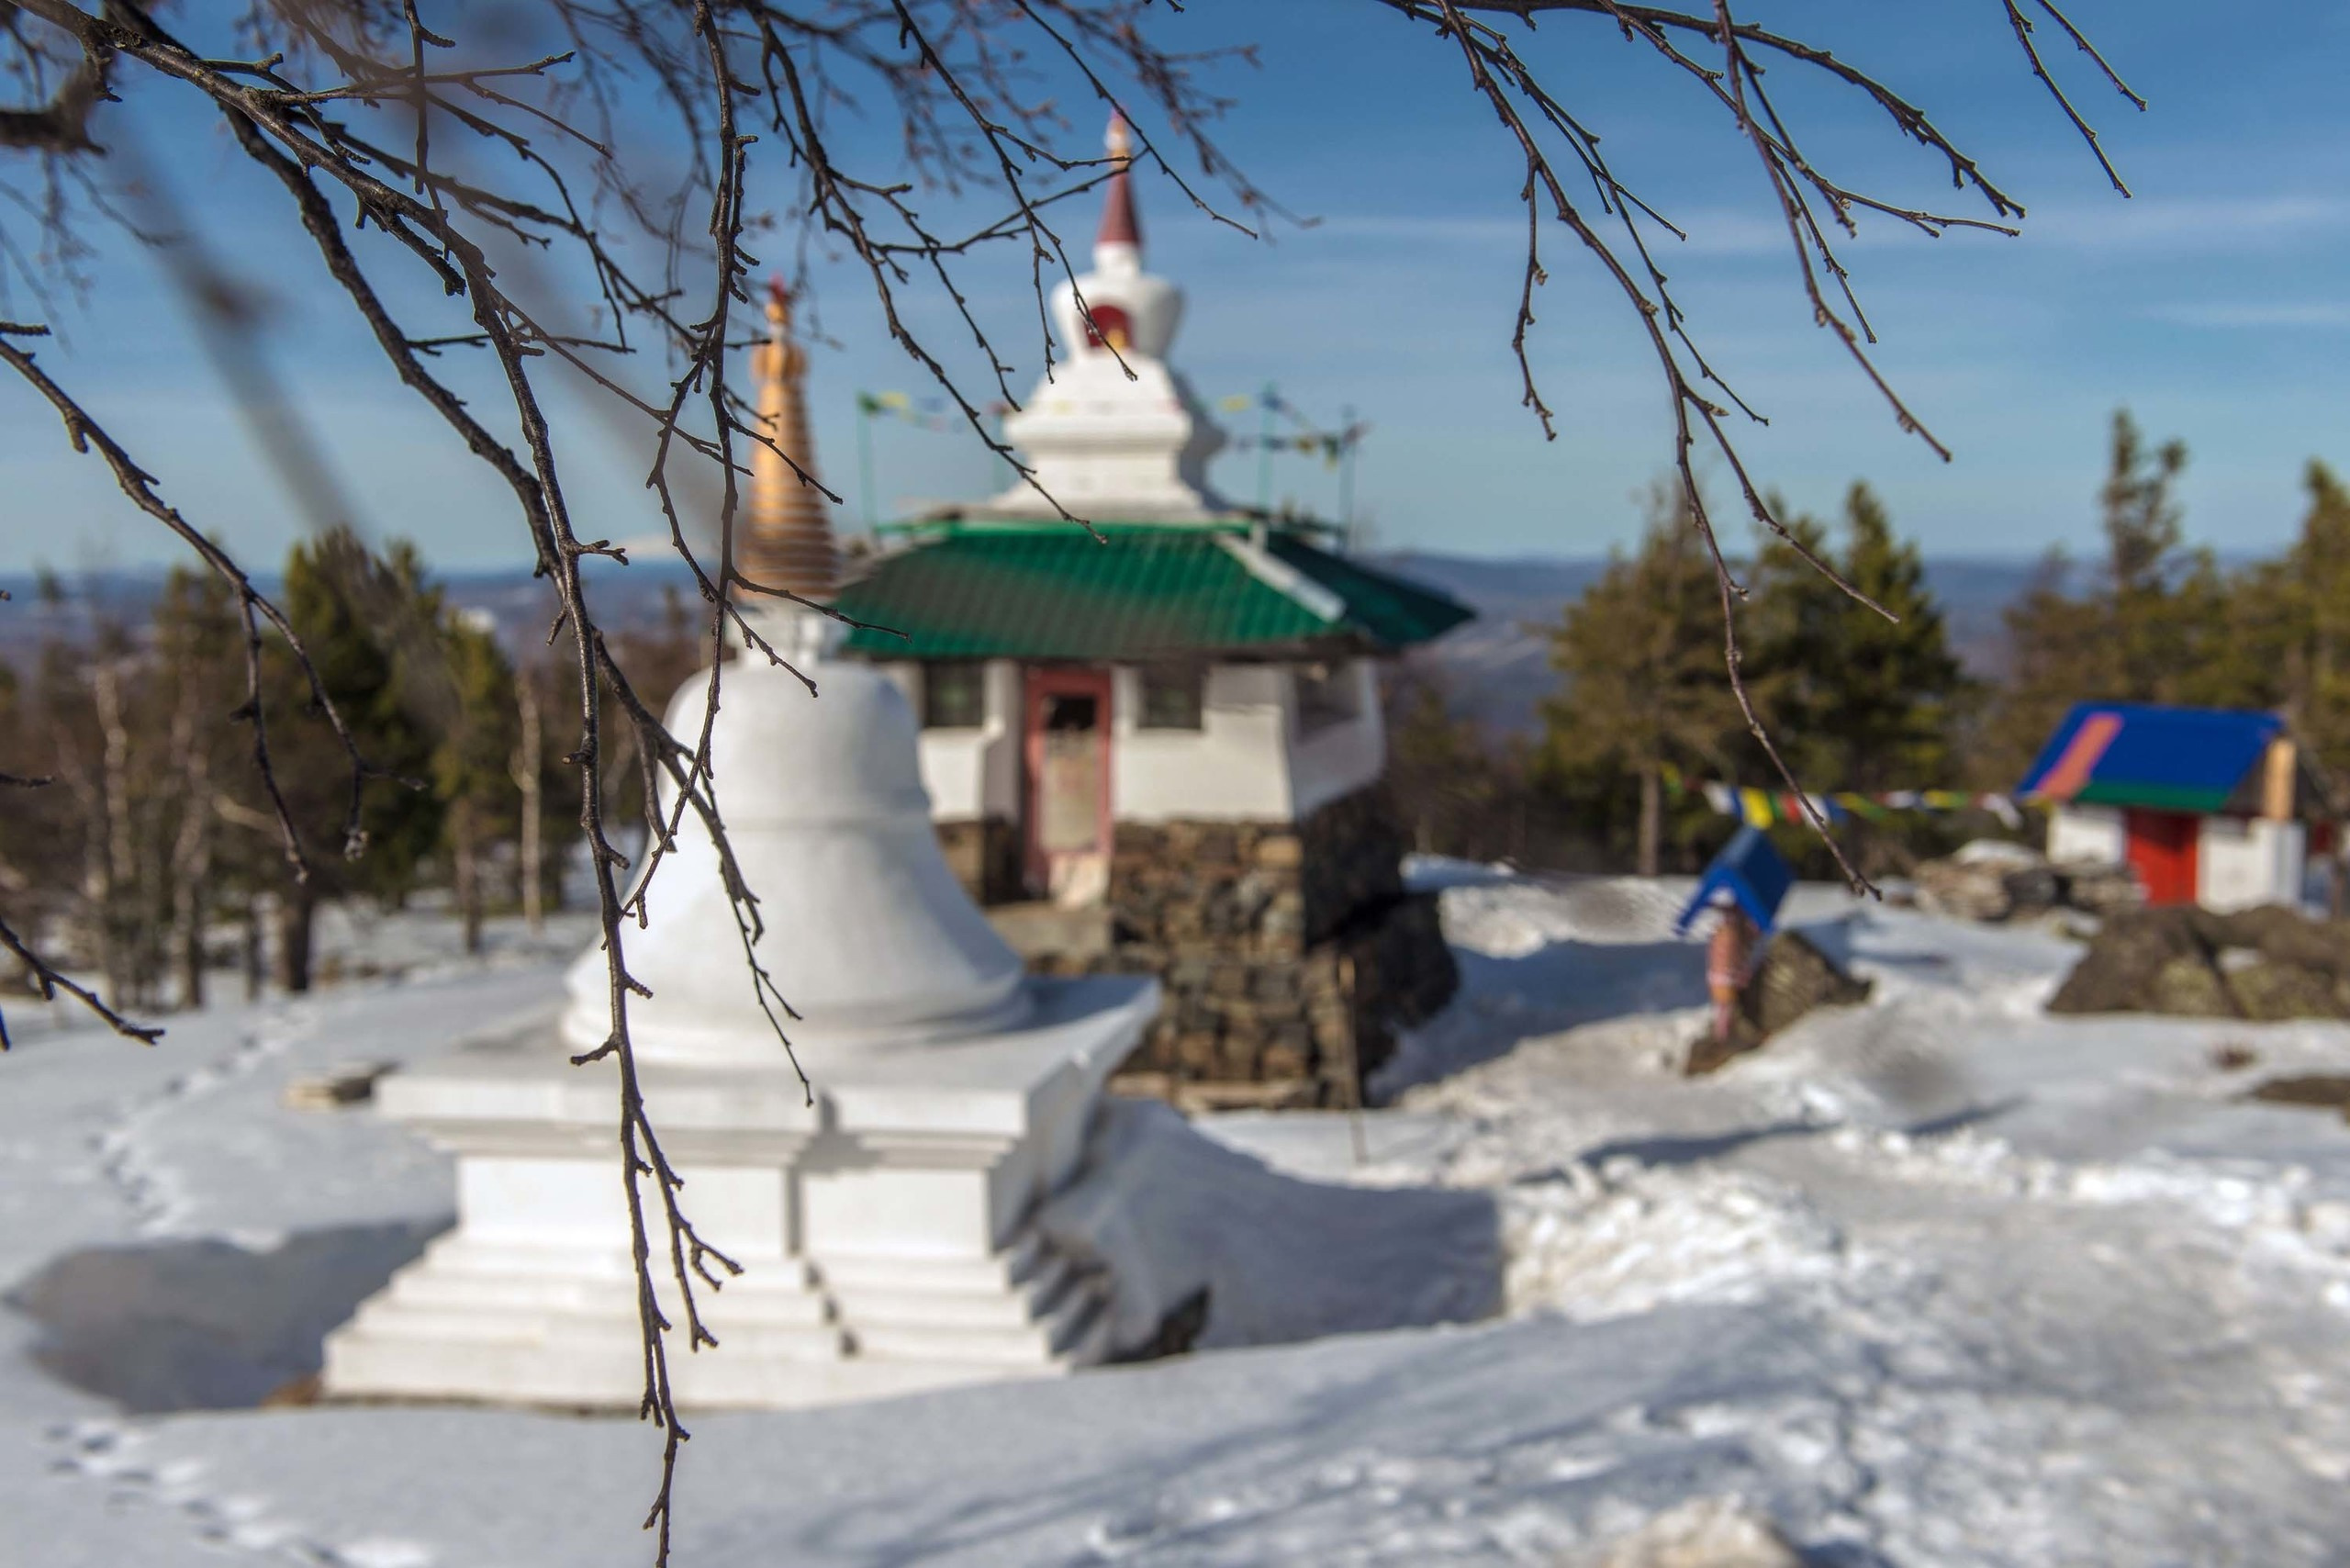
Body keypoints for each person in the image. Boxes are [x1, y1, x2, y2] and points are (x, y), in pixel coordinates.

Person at [1705, 892, 1759, 1047]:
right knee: (1728, 1008)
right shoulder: (1735, 937)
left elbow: (1715, 956)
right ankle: (1723, 1037)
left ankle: (1719, 1033)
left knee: (1721, 1007)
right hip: (1728, 978)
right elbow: (1735, 961)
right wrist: (1743, 975)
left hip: (1714, 977)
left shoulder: (1719, 933)